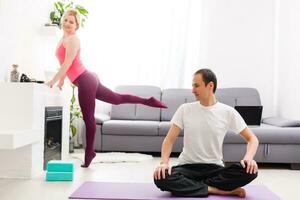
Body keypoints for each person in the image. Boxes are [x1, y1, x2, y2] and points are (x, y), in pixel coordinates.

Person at [45, 9, 167, 168]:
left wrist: (53, 80)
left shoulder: (73, 39)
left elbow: (68, 64)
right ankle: (147, 100)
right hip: (87, 78)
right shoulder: (63, 38)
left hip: (85, 80)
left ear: (76, 26)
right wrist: (61, 81)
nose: (67, 24)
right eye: (66, 20)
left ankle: (89, 153)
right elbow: (64, 64)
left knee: (89, 118)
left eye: (71, 22)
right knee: (116, 99)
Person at [153, 68, 259, 198]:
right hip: (187, 167)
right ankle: (216, 189)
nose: (193, 90)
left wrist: (248, 158)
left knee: (251, 171)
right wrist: (164, 163)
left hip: (214, 168)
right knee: (161, 177)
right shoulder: (185, 109)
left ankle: (192, 186)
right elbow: (169, 140)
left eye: (196, 86)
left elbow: (252, 139)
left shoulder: (228, 112)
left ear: (210, 86)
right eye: (192, 86)